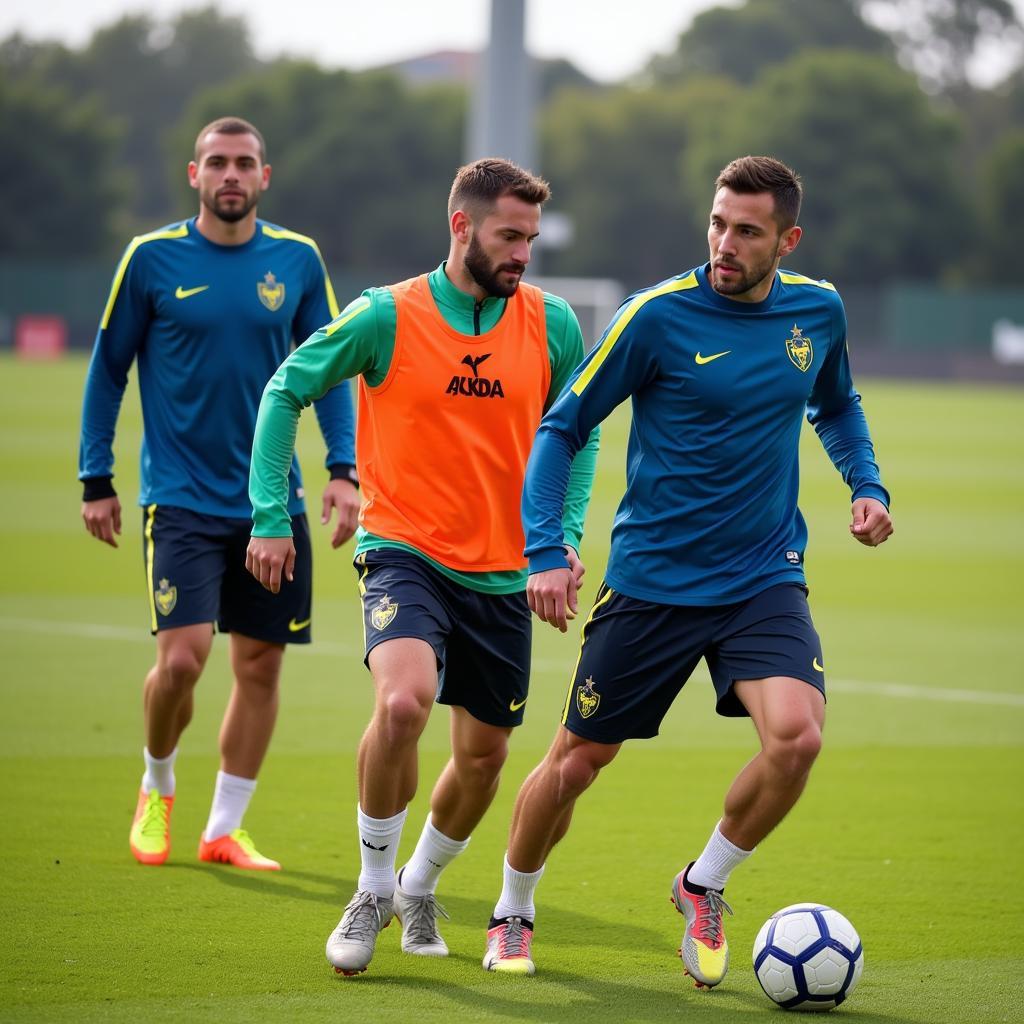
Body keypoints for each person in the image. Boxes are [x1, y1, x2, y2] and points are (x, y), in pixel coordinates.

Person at [481, 155, 893, 984]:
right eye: (717, 223)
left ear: (788, 239)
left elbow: (836, 401)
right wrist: (543, 553)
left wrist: (866, 485)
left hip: (761, 575)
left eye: (747, 230)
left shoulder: (818, 310)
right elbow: (561, 429)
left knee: (798, 739)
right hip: (653, 583)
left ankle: (703, 882)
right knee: (574, 765)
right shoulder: (656, 316)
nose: (724, 243)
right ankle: (513, 911)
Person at [246, 157, 599, 976]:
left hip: (506, 575)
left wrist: (561, 537)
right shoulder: (385, 316)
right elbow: (283, 390)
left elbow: (573, 434)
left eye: (531, 239)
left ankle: (419, 884)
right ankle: (371, 889)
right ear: (461, 226)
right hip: (404, 551)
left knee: (484, 760)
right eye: (509, 236)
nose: (523, 254)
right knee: (403, 702)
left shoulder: (550, 324)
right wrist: (272, 515)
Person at [79, 116, 358, 872]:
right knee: (183, 660)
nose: (230, 175)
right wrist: (95, 478)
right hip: (180, 498)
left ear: (265, 177)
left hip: (273, 503)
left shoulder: (297, 261)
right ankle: (157, 785)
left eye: (244, 164)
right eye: (217, 163)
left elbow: (330, 367)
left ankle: (224, 828)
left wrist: (343, 469)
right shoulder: (151, 258)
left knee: (260, 667)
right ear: (194, 175)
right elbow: (108, 370)